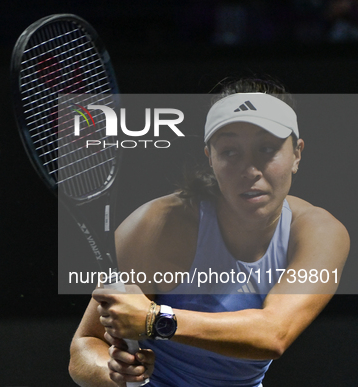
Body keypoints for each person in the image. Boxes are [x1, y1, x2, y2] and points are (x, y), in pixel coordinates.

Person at [68, 78, 350, 387]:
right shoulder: (158, 225)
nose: (250, 169)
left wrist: (155, 319)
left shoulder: (319, 233)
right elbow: (85, 347)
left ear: (297, 154)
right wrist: (113, 371)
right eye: (230, 152)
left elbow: (274, 334)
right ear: (210, 157)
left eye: (267, 149)